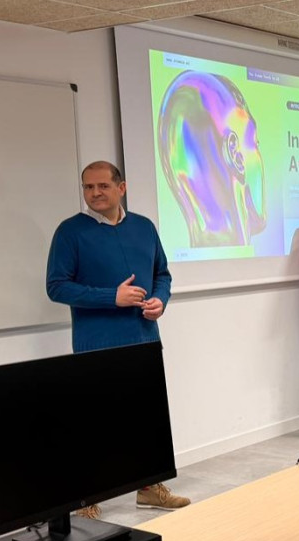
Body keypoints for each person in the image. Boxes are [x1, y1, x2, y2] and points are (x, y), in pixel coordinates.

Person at [46, 160, 189, 513]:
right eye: (88, 187)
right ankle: (87, 498)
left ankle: (149, 487)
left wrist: (161, 300)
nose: (94, 193)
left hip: (144, 339)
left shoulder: (144, 227)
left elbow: (162, 274)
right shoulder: (70, 232)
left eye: (102, 186)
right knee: (95, 423)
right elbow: (56, 287)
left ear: (121, 188)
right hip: (97, 344)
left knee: (146, 419)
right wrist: (112, 296)